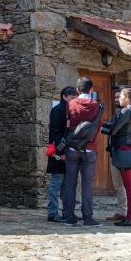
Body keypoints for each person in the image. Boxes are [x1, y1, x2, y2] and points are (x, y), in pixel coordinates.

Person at [62, 76, 104, 227]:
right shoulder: (96, 106)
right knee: (87, 184)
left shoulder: (71, 104)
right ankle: (88, 218)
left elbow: (68, 124)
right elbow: (98, 127)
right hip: (89, 148)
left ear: (78, 90)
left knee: (70, 183)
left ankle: (68, 216)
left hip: (72, 147)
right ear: (91, 90)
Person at [104, 87, 131, 226]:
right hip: (128, 149)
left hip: (125, 149)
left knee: (129, 185)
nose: (118, 99)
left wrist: (105, 127)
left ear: (127, 98)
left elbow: (114, 130)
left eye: (121, 97)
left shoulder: (126, 111)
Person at [45, 86, 77, 222]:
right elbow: (56, 133)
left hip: (67, 152)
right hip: (59, 153)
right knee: (56, 183)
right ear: (64, 96)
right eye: (72, 98)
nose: (74, 100)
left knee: (66, 185)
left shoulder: (69, 110)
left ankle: (67, 213)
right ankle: (52, 213)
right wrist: (61, 152)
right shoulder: (58, 110)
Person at [107, 86, 129, 221]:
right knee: (118, 184)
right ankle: (122, 211)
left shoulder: (130, 112)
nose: (116, 99)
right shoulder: (117, 113)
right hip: (115, 151)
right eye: (115, 97)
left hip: (125, 152)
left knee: (129, 183)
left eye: (118, 97)